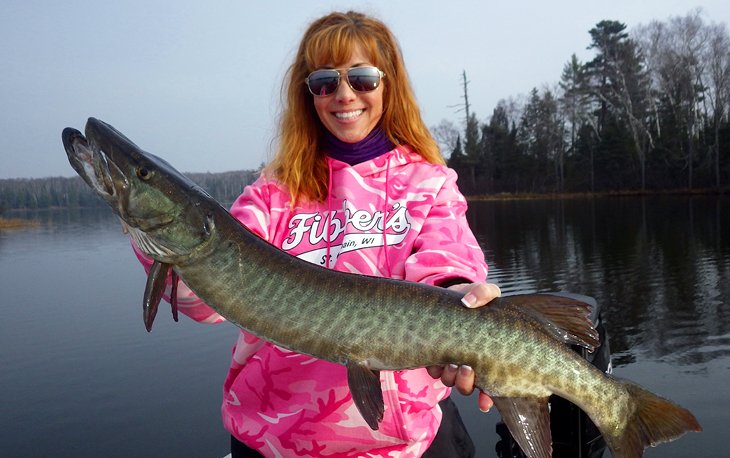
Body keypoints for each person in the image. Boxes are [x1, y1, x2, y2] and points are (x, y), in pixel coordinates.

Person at [133, 10, 501, 458]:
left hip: (400, 442)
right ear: (308, 94)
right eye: (325, 81)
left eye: (362, 78)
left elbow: (447, 264)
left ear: (389, 86)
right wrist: (153, 236)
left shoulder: (429, 183)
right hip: (273, 439)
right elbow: (202, 303)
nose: (344, 94)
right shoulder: (273, 193)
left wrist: (458, 301)